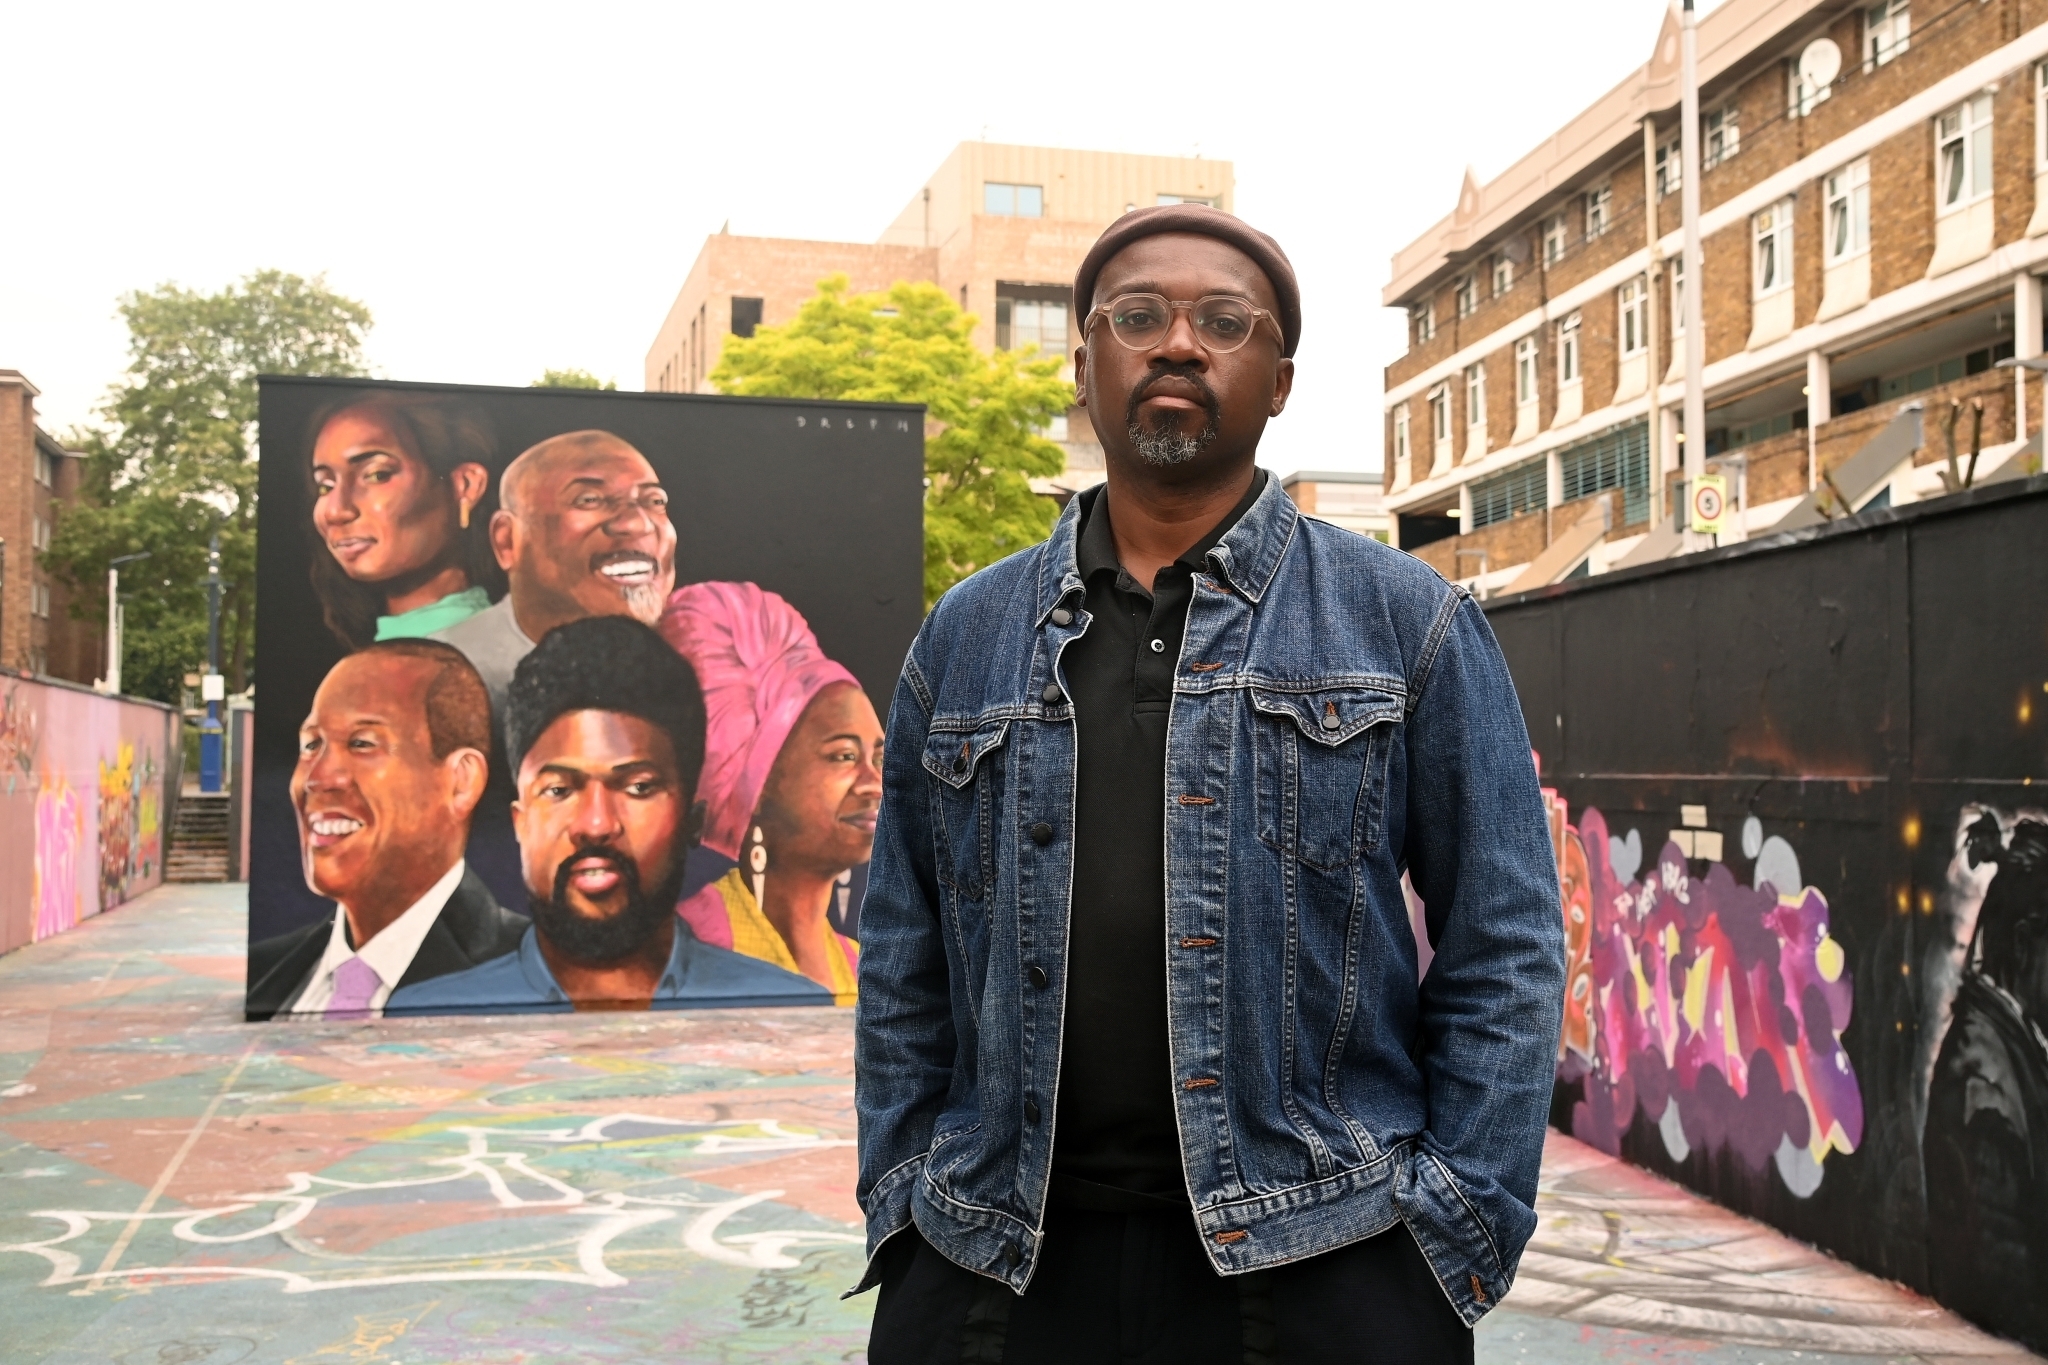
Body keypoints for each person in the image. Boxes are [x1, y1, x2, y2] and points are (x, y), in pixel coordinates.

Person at [853, 205, 1565, 1363]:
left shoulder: (1405, 620)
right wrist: (901, 1202)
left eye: (1224, 323)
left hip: (1329, 1257)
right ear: (1083, 365)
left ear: (1277, 382)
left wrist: (1450, 1233)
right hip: (997, 1263)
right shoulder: (966, 633)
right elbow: (902, 944)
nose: (1178, 343)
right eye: (1137, 317)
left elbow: (1506, 941)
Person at [388, 616, 829, 1014]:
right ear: (520, 823)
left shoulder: (788, 1013)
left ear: (692, 822)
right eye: (559, 790)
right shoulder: (429, 1020)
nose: (596, 825)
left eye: (638, 787)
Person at [246, 640, 527, 1020]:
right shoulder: (268, 971)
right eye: (312, 745)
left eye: (361, 744)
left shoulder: (533, 969)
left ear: (461, 782)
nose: (318, 778)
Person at [659, 581, 882, 1004]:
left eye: (879, 758)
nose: (873, 782)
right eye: (843, 756)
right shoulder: (685, 945)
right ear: (758, 785)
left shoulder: (858, 962)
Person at [429, 430, 676, 720]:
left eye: (654, 501)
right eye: (589, 500)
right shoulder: (438, 674)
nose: (637, 523)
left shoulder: (701, 652)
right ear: (507, 540)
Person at [307, 392, 503, 648]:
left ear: (465, 485)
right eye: (325, 486)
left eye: (377, 475)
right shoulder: (383, 646)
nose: (335, 511)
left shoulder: (485, 649)